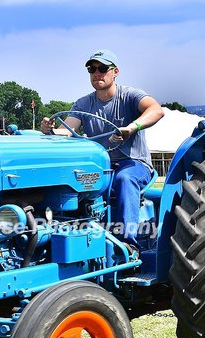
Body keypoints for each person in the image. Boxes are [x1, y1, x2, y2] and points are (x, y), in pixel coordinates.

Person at [40, 49, 164, 250]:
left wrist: (132, 127)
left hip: (133, 164)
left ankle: (128, 244)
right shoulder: (84, 103)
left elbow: (156, 110)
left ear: (115, 72)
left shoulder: (129, 96)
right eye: (92, 69)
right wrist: (51, 130)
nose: (97, 73)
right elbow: (67, 130)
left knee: (125, 179)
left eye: (102, 68)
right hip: (102, 167)